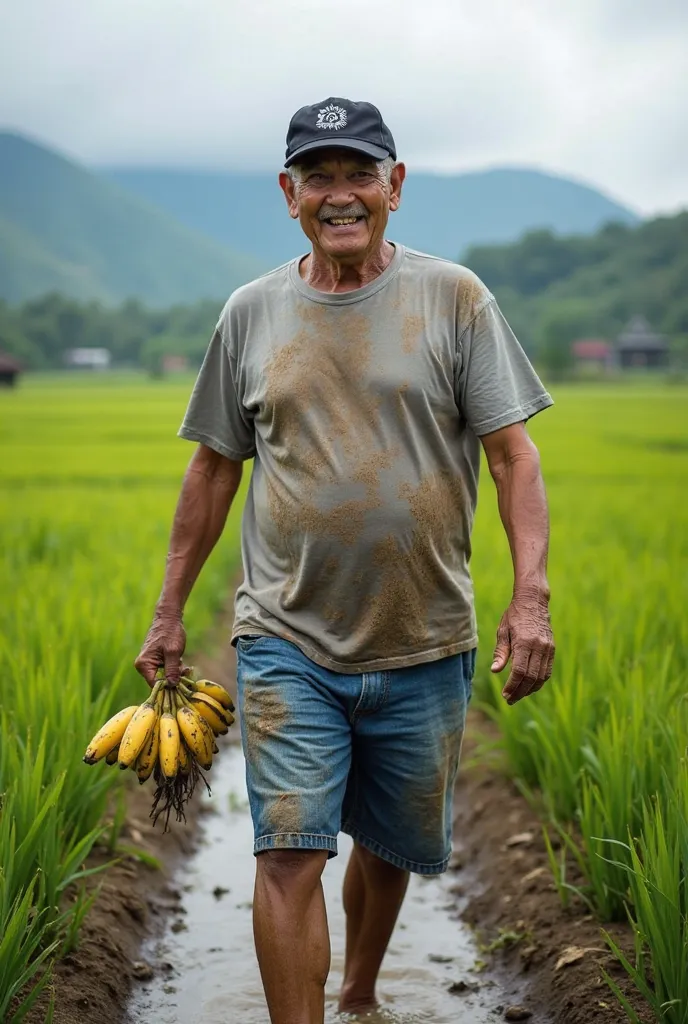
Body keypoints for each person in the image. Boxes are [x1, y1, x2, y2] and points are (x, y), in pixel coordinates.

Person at [135, 96, 555, 1024]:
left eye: (358, 174)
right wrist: (170, 611)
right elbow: (212, 469)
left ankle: (360, 991)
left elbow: (513, 455)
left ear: (394, 187)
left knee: (389, 846)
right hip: (285, 636)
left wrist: (532, 598)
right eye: (317, 177)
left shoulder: (456, 299)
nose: (339, 195)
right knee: (287, 853)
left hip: (425, 635)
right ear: (289, 194)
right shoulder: (250, 313)